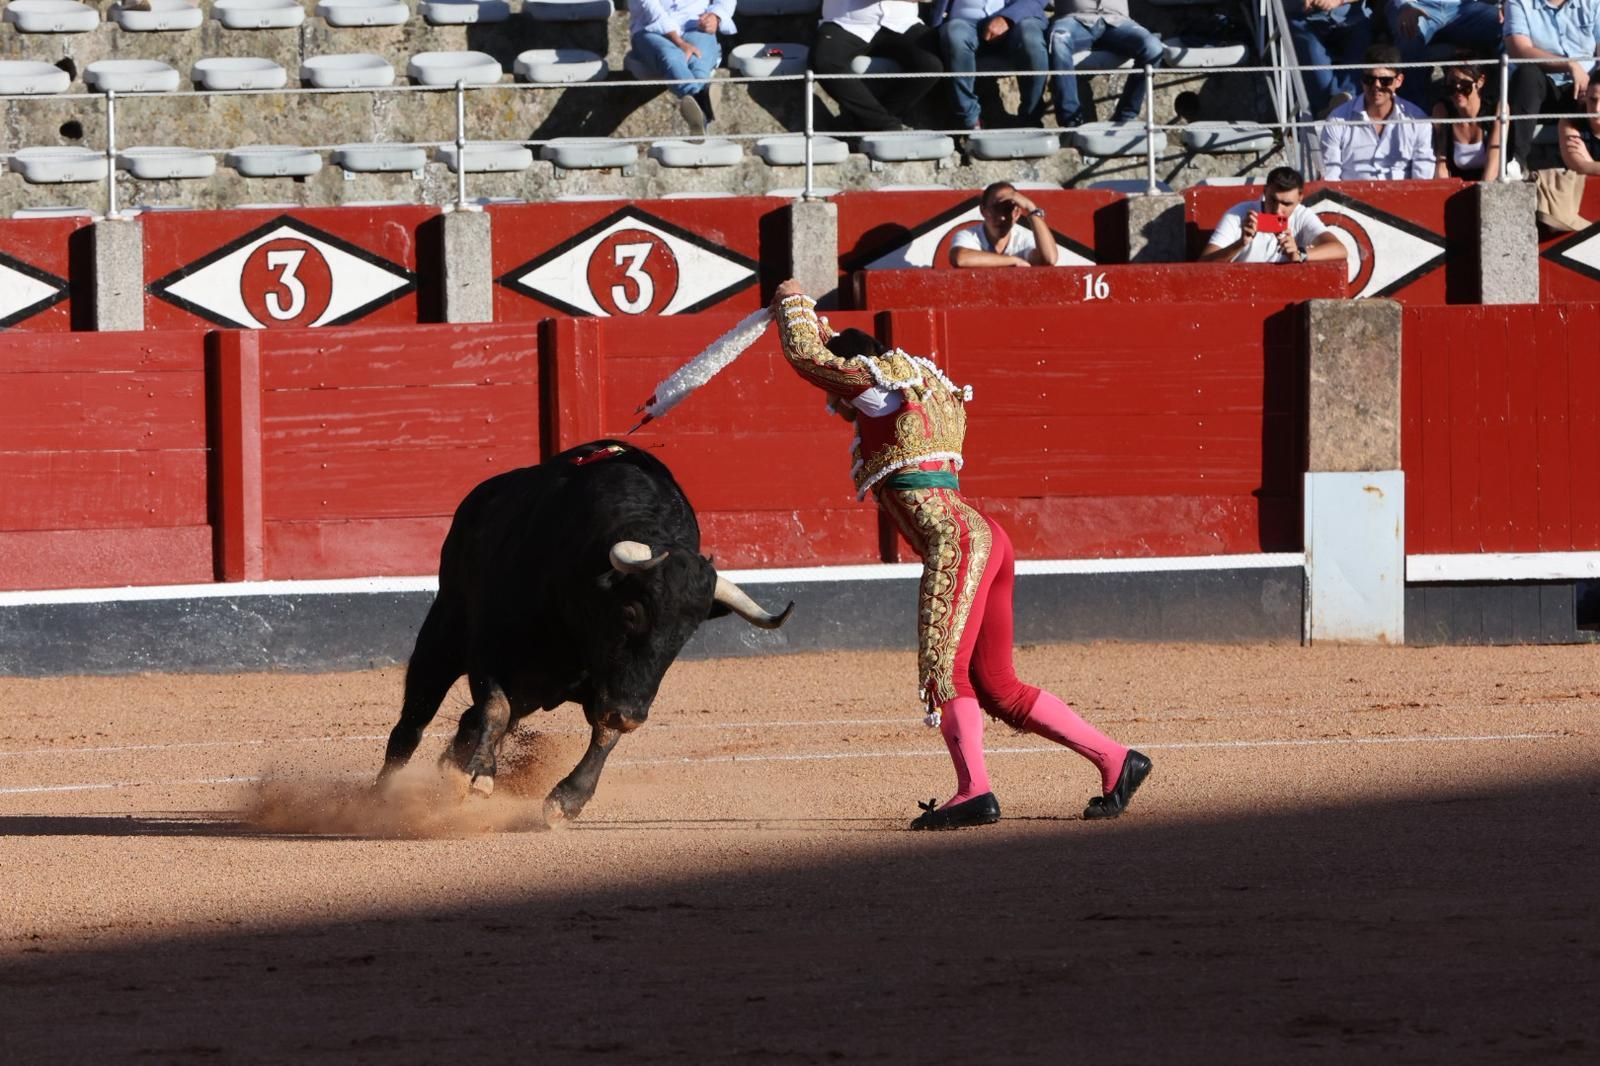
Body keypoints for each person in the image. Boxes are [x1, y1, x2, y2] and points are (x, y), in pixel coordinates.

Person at [766, 278, 1153, 830]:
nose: (836, 405)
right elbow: (844, 352)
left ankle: (974, 791)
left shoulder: (874, 391)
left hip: (956, 541)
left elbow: (808, 354)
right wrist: (825, 326)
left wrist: (792, 299)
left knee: (944, 671)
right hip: (985, 534)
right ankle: (1117, 761)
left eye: (838, 394)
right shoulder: (916, 386)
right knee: (998, 686)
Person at [812, 0, 945, 132]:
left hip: (901, 22)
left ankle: (866, 122)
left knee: (931, 64)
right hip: (846, 22)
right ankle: (886, 125)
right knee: (826, 62)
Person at [1504, 0, 1600, 179]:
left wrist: (1594, 84)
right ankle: (1516, 161)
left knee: (1598, 94)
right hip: (1543, 90)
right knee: (1527, 74)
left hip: (1586, 90)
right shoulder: (1518, 3)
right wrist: (1569, 64)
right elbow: (1519, 50)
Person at [1319, 44, 1435, 179]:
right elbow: (1330, 178)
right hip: (1349, 199)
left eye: (1385, 80)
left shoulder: (1419, 121)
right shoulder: (1337, 120)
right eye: (1369, 79)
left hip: (1401, 198)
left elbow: (1422, 181)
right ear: (1362, 80)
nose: (1376, 86)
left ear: (1399, 81)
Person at [932, 0, 1050, 130]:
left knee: (1030, 39)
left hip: (1017, 19)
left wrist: (1007, 18)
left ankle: (1030, 120)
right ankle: (970, 121)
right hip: (964, 22)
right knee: (955, 35)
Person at [1047, 0, 1166, 128]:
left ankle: (1125, 118)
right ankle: (1071, 121)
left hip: (1118, 22)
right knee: (1059, 39)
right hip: (1074, 20)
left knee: (1153, 48)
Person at [628, 0, 737, 138]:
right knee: (671, 56)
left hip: (697, 26)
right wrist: (679, 42)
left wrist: (716, 16)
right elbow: (651, 8)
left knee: (698, 61)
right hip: (650, 28)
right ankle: (701, 100)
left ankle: (698, 117)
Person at [1199, 166, 1350, 264]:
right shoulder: (1238, 214)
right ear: (1265, 192)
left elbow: (1339, 249)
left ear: (1300, 198)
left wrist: (1300, 254)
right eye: (1273, 200)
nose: (1278, 210)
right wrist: (1240, 244)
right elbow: (1203, 264)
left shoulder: (1302, 215)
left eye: (1287, 204)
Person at [1384, 0, 1503, 107]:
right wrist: (1404, 5)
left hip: (1463, 7)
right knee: (1409, 37)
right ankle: (1414, 119)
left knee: (1507, 29)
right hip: (1417, 5)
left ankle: (1501, 109)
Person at [1286, 0, 1372, 119]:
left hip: (1352, 18)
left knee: (1359, 51)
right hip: (1305, 20)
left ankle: (1344, 103)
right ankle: (1331, 113)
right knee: (1320, 80)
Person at [948, 181, 1059, 267]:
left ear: (1016, 213)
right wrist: (1013, 261)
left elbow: (1049, 259)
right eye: (996, 209)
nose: (1002, 217)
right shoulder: (970, 235)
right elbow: (960, 258)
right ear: (983, 211)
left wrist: (1031, 209)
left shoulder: (1024, 239)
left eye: (1007, 210)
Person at [1431, 55, 1504, 180]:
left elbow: (1494, 165)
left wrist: (1480, 196)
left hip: (1491, 186)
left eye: (1465, 85)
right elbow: (1441, 164)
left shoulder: (1497, 109)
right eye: (1452, 84)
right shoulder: (1442, 110)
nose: (1457, 90)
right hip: (1457, 186)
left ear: (1480, 82)